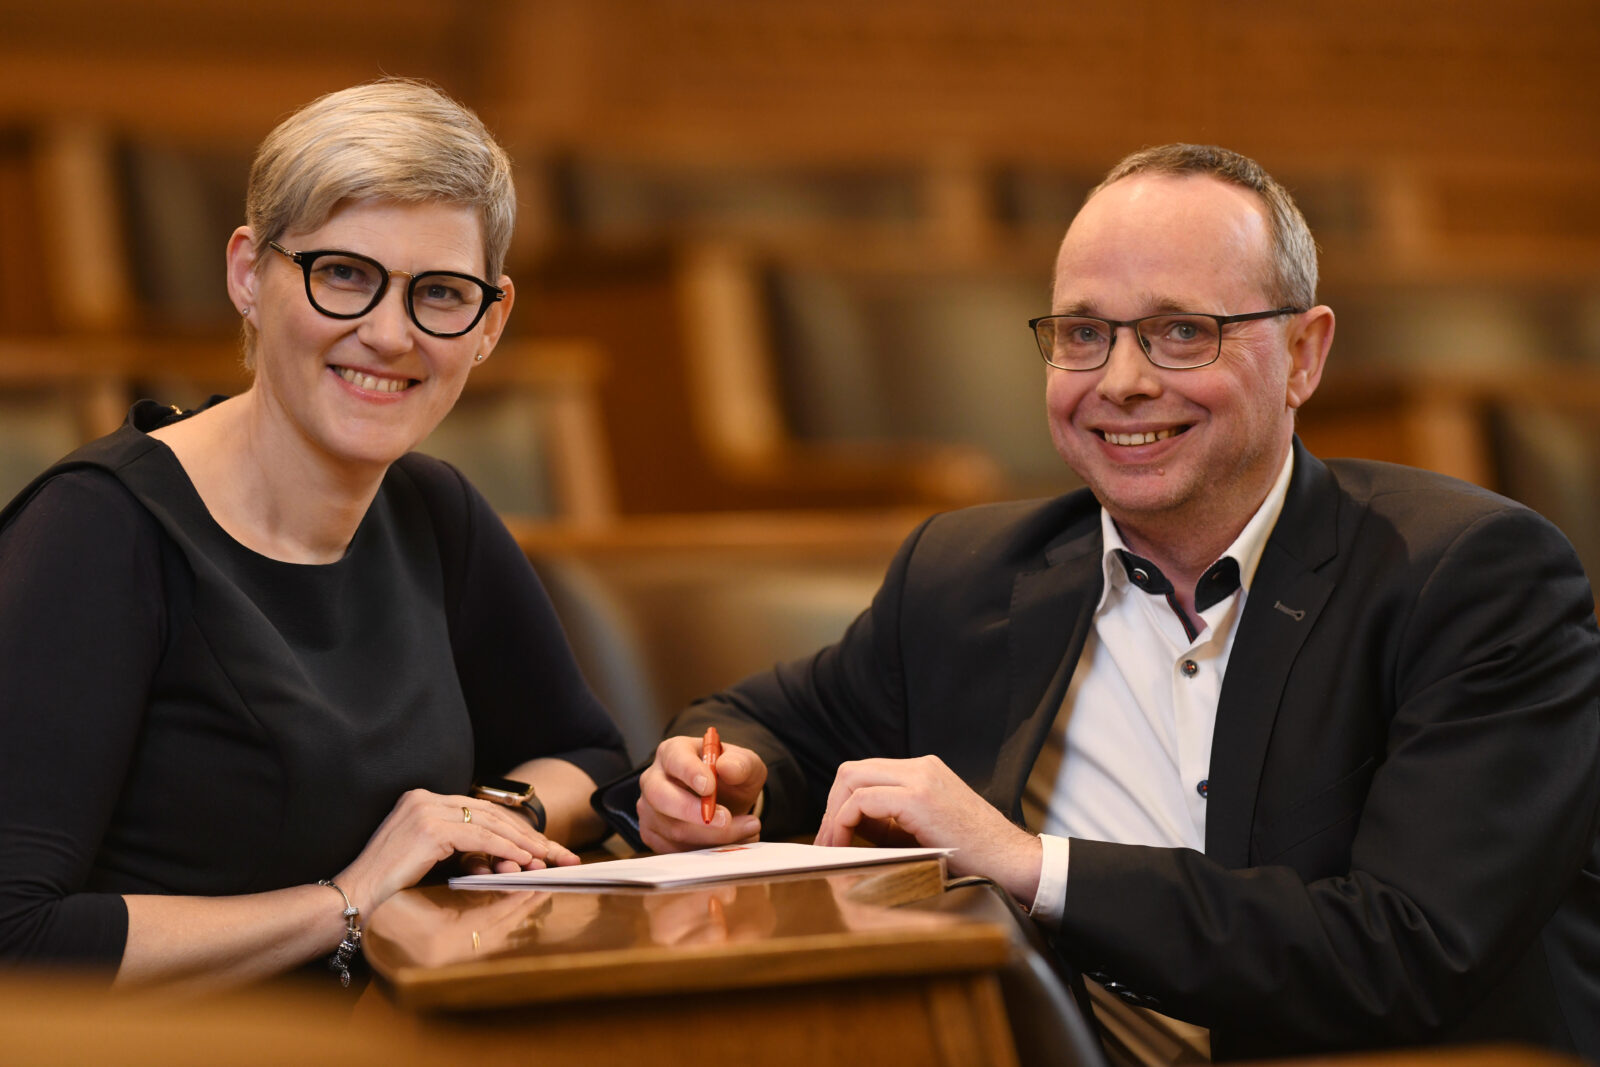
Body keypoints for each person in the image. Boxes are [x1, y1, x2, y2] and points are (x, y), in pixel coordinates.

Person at [614, 144, 1600, 1059]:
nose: (1121, 381)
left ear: (1303, 354)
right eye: (1084, 334)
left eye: (1182, 332)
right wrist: (718, 781)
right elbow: (765, 726)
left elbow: (1403, 950)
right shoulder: (969, 574)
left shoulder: (1472, 579)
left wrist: (1030, 865)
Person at [0, 78, 629, 988]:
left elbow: (590, 758)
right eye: (343, 274)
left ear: (490, 323)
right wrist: (350, 899)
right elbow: (15, 936)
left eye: (440, 293)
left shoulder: (436, 510)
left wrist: (489, 815)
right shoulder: (96, 532)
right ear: (247, 275)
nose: (390, 334)